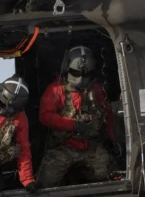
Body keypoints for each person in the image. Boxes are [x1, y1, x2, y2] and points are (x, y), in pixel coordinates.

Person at [37, 45, 117, 188]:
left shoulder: (96, 90)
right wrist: (72, 124)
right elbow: (45, 116)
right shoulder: (56, 90)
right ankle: (68, 178)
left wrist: (112, 139)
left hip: (90, 146)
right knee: (46, 182)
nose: (80, 78)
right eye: (76, 73)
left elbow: (108, 114)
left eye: (85, 74)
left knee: (108, 173)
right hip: (64, 147)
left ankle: (79, 176)